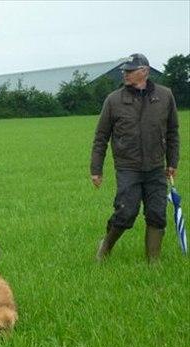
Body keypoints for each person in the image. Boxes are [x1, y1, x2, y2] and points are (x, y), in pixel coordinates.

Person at [91, 53, 180, 262]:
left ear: (145, 72)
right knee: (126, 212)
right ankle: (105, 248)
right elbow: (101, 137)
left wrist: (172, 162)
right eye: (125, 71)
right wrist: (96, 169)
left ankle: (153, 261)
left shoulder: (165, 96)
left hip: (156, 167)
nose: (126, 74)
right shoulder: (114, 100)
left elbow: (173, 132)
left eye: (130, 71)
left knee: (157, 214)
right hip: (128, 167)